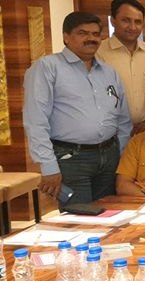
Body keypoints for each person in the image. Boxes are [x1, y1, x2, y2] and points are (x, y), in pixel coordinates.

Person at [24, 12, 132, 204]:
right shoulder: (47, 68)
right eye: (83, 33)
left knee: (109, 212)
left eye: (95, 34)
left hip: (109, 157)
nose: (91, 38)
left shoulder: (109, 72)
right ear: (66, 37)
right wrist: (48, 166)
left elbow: (123, 119)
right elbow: (36, 121)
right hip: (71, 158)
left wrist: (122, 157)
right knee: (78, 215)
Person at [97, 0, 145, 133]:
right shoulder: (98, 53)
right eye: (126, 20)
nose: (132, 27)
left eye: (138, 22)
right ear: (113, 20)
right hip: (111, 132)